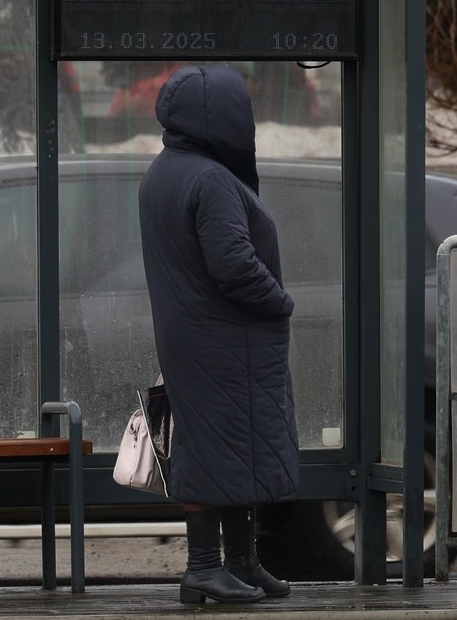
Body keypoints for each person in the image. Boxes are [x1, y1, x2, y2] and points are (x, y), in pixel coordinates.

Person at [139, 65, 299, 605]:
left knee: (229, 448)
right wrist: (280, 301)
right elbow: (233, 264)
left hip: (197, 335)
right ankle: (205, 568)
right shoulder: (209, 178)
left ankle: (242, 563)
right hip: (225, 337)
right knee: (214, 450)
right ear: (219, 116)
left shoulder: (166, 170)